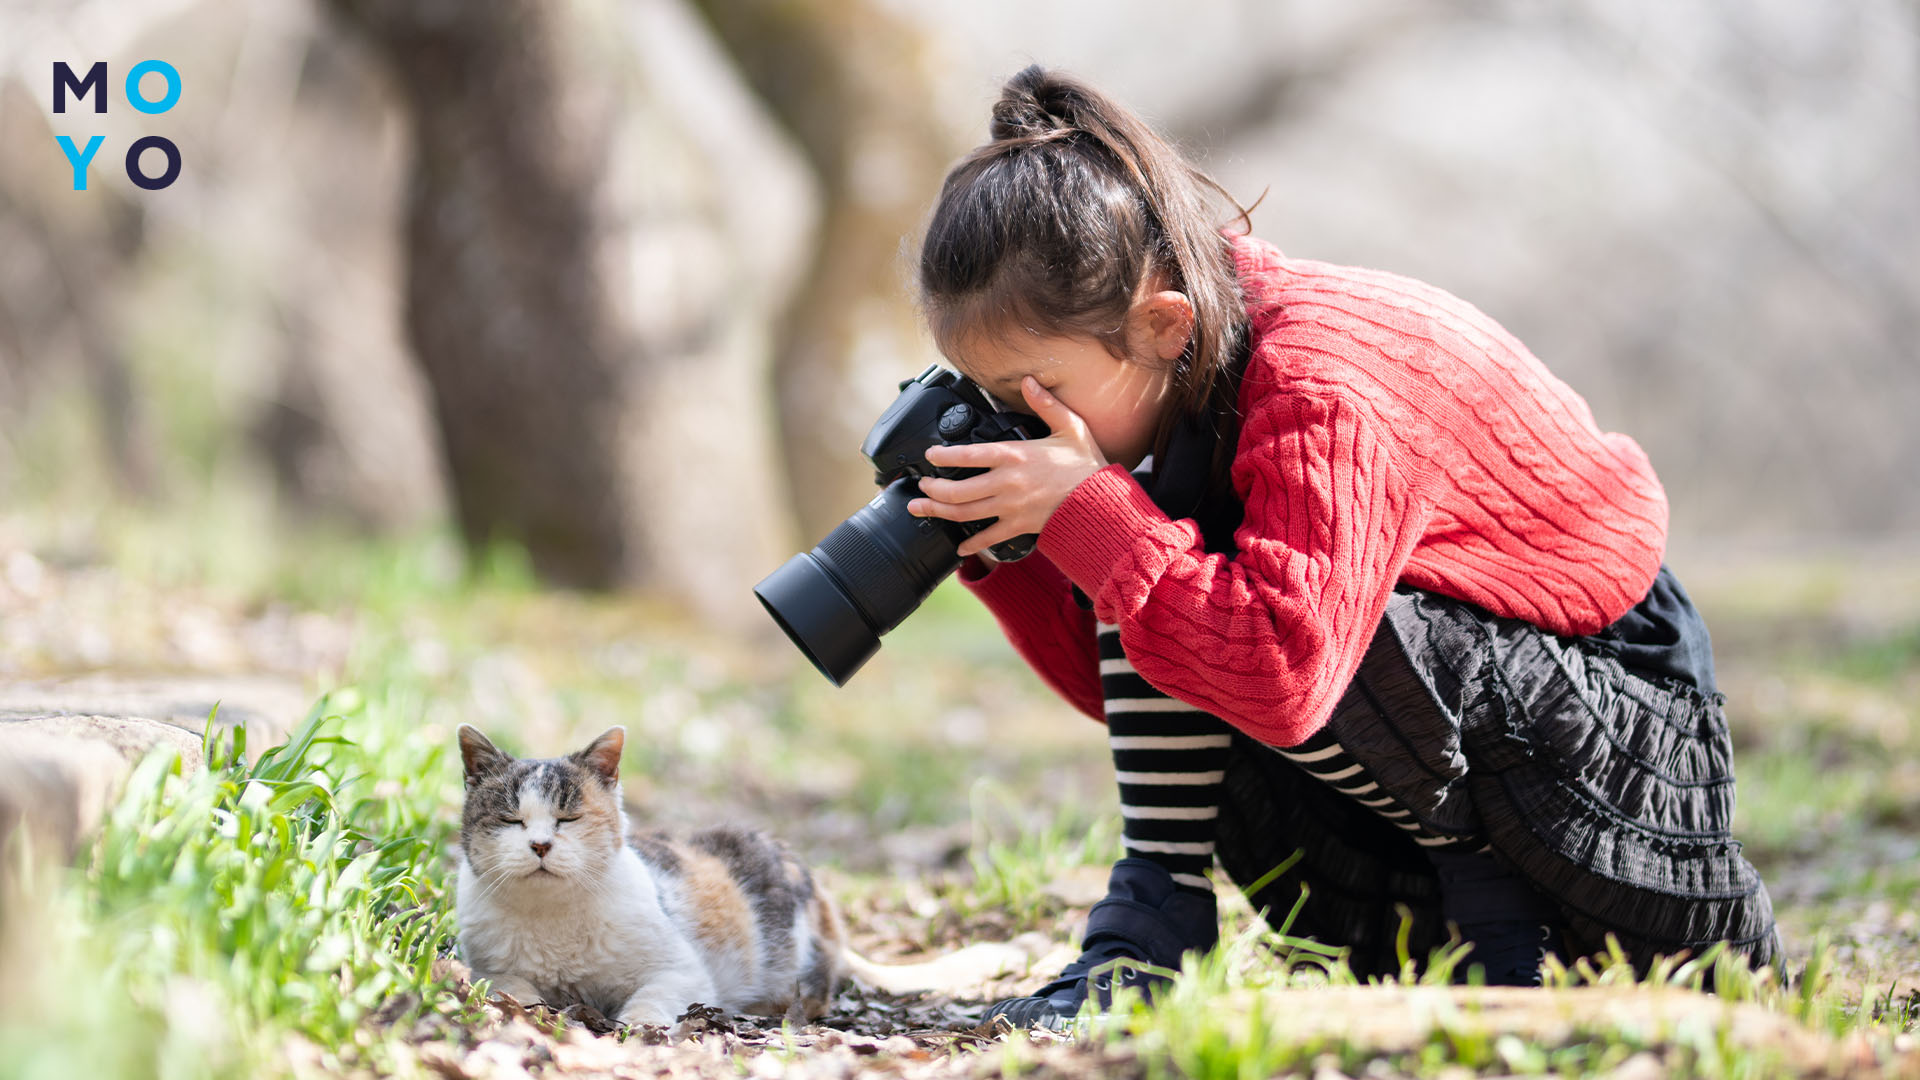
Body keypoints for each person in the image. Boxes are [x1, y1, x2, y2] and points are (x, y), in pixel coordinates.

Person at [902, 65, 1780, 1029]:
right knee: (1155, 560)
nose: (1023, 422)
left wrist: (1098, 520)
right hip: (1430, 746)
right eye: (992, 395)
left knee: (1186, 571)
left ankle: (1508, 935)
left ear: (1162, 325)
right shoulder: (1176, 381)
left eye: (1037, 389)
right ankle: (1148, 934)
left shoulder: (1315, 384)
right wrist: (1004, 543)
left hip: (1607, 719)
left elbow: (1281, 671)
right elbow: (1136, 672)